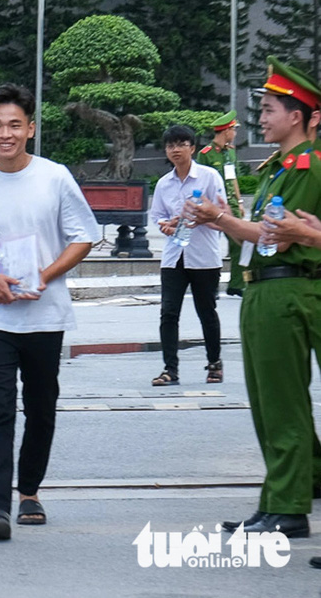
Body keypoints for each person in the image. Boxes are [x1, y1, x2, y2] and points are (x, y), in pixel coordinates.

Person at [0, 83, 99, 541]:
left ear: (30, 128)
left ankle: (29, 491)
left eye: (14, 125)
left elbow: (84, 236)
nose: (4, 134)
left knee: (42, 407)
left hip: (45, 315)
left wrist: (45, 275)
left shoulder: (54, 177)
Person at [188, 56, 321, 539]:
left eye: (269, 110)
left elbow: (276, 239)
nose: (261, 118)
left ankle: (288, 505)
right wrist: (222, 218)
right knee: (270, 404)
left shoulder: (305, 167)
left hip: (285, 287)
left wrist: (219, 220)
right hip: (266, 287)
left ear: (300, 116)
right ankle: (285, 494)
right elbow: (265, 233)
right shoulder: (278, 169)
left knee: (282, 404)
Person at [149, 124, 227, 387]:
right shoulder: (163, 184)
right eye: (171, 145)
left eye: (181, 144)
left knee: (206, 310)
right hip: (173, 256)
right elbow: (157, 217)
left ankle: (214, 364)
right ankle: (170, 369)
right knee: (168, 313)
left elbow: (222, 217)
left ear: (192, 148)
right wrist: (166, 225)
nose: (175, 150)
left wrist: (199, 219)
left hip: (204, 256)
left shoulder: (208, 177)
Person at [197, 110, 246, 295]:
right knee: (211, 245)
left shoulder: (229, 153)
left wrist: (239, 201)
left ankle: (236, 284)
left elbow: (233, 179)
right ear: (226, 131)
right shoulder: (206, 154)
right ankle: (211, 285)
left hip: (231, 205)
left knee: (239, 242)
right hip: (213, 205)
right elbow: (201, 182)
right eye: (234, 130)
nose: (235, 134)